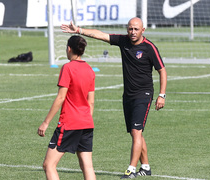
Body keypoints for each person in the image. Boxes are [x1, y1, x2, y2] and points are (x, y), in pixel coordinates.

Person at [61, 17, 167, 179]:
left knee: (136, 131)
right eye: (130, 29)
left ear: (143, 30)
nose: (132, 32)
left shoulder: (149, 48)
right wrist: (79, 31)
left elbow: (162, 71)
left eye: (136, 29)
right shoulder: (123, 41)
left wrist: (161, 95)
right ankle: (145, 166)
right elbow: (100, 35)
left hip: (144, 94)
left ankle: (131, 169)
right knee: (135, 133)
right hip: (128, 95)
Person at [37, 35, 96, 180]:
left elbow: (61, 97)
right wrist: (85, 119)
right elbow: (91, 102)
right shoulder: (90, 70)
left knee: (49, 165)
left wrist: (45, 123)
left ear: (69, 49)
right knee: (87, 166)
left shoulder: (68, 68)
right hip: (87, 123)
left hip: (69, 123)